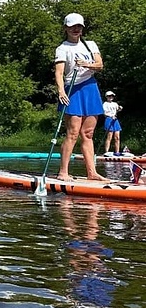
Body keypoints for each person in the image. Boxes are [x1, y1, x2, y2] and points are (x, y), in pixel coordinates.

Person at [55, 13, 108, 182]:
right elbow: (59, 72)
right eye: (72, 26)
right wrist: (61, 91)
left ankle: (92, 172)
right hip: (73, 89)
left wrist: (86, 64)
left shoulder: (90, 44)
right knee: (72, 133)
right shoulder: (62, 48)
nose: (76, 29)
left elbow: (99, 65)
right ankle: (63, 172)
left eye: (79, 26)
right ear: (66, 28)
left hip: (90, 87)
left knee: (88, 133)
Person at [102, 91, 123, 155]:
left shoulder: (115, 104)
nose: (111, 97)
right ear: (106, 97)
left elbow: (118, 110)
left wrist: (120, 108)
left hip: (115, 120)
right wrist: (111, 116)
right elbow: (104, 113)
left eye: (112, 96)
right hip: (109, 119)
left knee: (117, 137)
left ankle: (117, 152)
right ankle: (106, 152)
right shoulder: (105, 104)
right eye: (109, 96)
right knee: (109, 136)